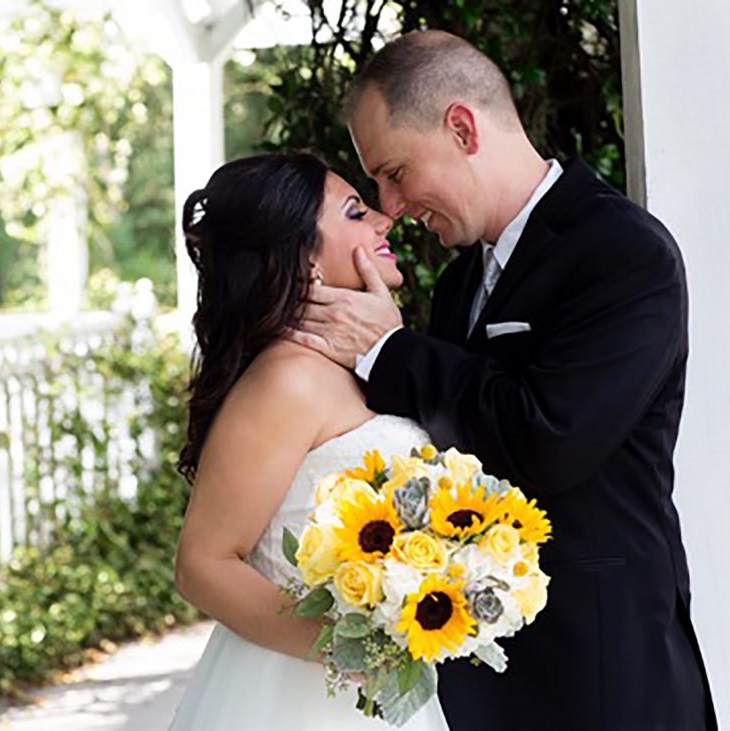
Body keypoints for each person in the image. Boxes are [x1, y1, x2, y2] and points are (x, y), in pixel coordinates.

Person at [291, 30, 716, 731]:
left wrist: (392, 350)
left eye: (395, 173)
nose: (391, 204)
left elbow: (547, 438)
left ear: (462, 127)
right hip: (484, 675)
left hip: (607, 673)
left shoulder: (624, 253)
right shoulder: (461, 283)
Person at [169, 152, 449, 730]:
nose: (382, 220)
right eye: (355, 211)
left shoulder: (352, 365)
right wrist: (348, 650)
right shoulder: (287, 380)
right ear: (304, 259)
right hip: (302, 697)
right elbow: (203, 563)